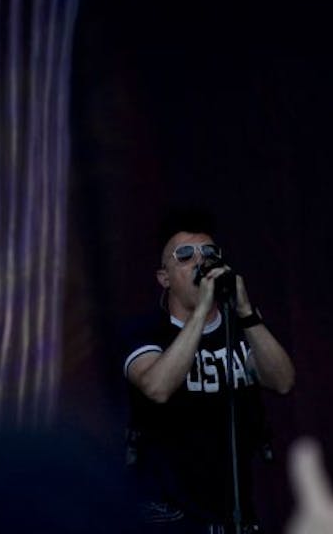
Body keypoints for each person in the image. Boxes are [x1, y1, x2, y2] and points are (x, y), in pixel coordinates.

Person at [122, 225, 296, 531]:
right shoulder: (146, 332)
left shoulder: (239, 330)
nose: (201, 261)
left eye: (210, 254)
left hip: (237, 514)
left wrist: (246, 313)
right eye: (185, 256)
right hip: (170, 517)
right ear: (164, 278)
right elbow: (157, 386)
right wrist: (201, 310)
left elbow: (282, 381)